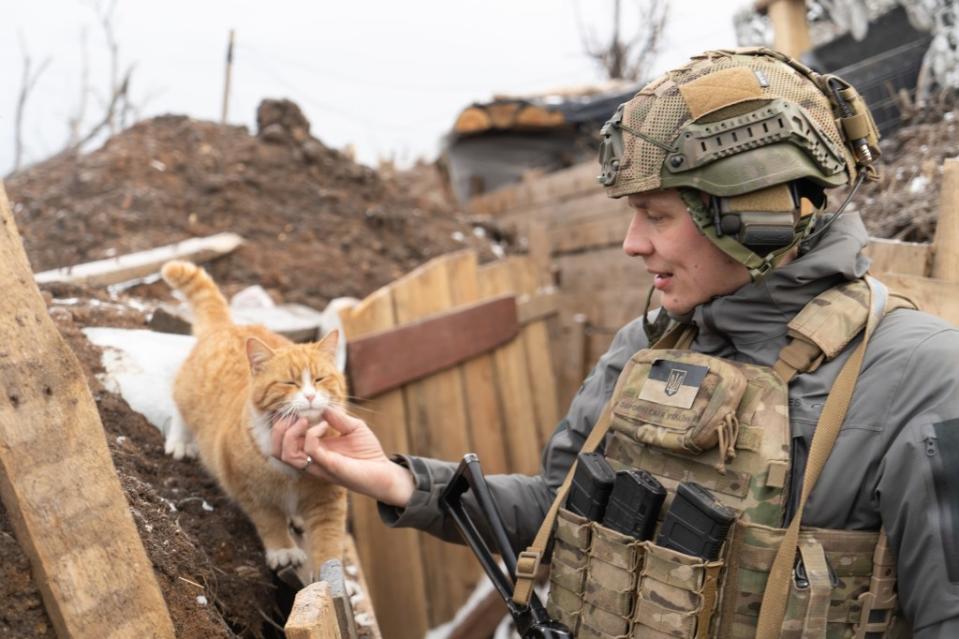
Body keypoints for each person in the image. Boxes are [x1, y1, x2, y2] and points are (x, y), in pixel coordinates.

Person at [272, 48, 959, 637]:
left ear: (756, 214)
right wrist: (396, 479)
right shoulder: (644, 343)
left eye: (656, 214)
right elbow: (552, 509)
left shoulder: (924, 377)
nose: (633, 244)